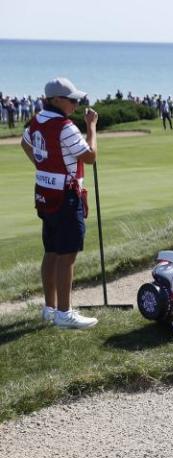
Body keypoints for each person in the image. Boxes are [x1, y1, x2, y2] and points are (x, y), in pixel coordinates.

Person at [20, 77, 99, 329]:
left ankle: (49, 308)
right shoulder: (65, 126)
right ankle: (64, 314)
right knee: (67, 255)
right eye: (72, 99)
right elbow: (89, 156)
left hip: (45, 193)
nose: (76, 103)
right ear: (56, 100)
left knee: (51, 251)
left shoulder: (37, 120)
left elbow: (25, 143)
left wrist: (43, 166)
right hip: (66, 196)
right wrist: (92, 128)